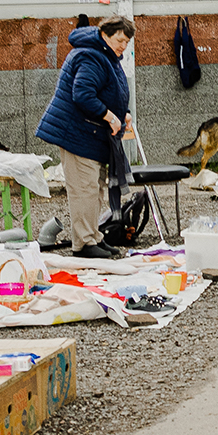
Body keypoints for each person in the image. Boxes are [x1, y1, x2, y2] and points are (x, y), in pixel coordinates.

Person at [35, 16, 135, 259]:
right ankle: (83, 244)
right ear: (105, 35)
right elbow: (83, 94)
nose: (123, 46)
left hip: (91, 135)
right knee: (84, 190)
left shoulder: (107, 56)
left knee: (96, 188)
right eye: (119, 40)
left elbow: (112, 91)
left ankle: (94, 237)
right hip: (78, 134)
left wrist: (125, 113)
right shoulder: (90, 56)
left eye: (127, 42)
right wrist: (110, 116)